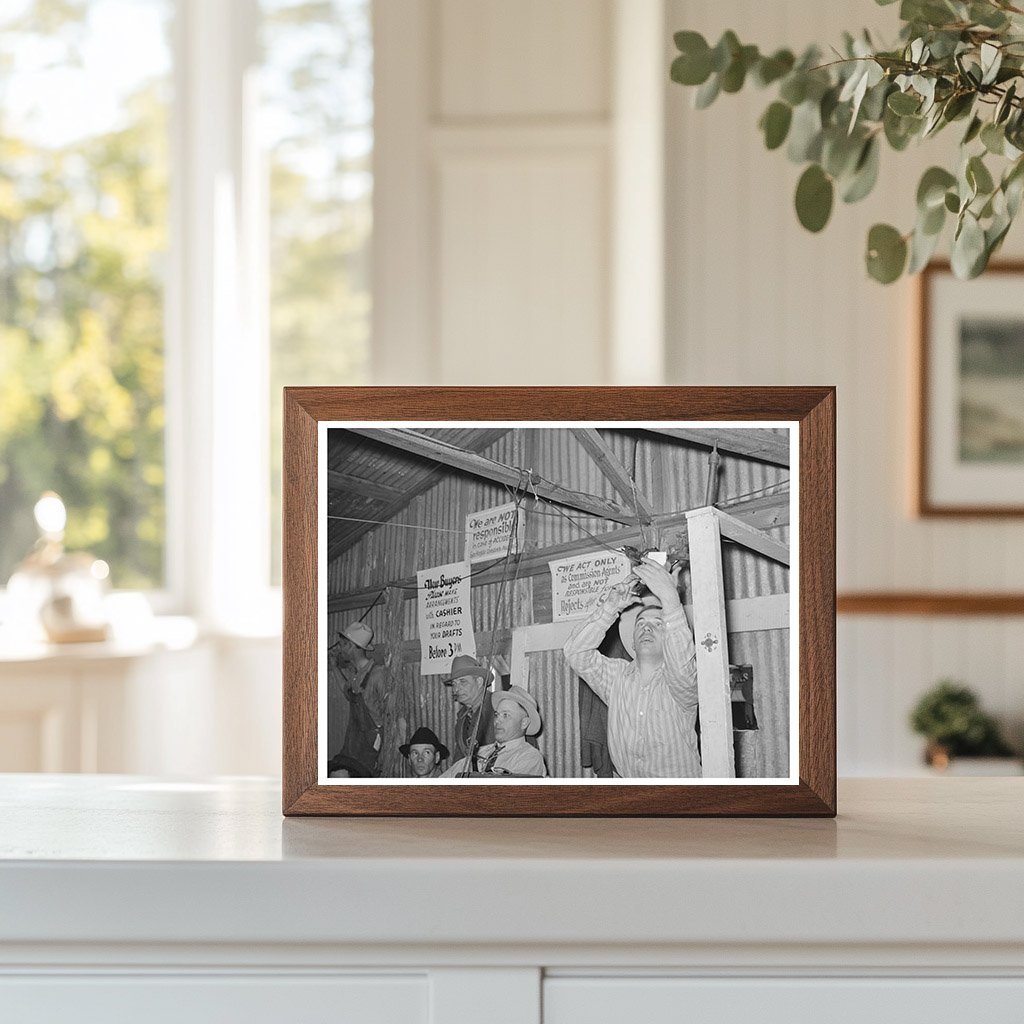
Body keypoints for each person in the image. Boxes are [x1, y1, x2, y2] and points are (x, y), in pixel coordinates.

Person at [563, 557, 700, 778]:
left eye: (658, 624)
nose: (647, 628)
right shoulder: (617, 677)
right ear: (633, 642)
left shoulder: (681, 681)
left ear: (670, 638)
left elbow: (682, 666)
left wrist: (671, 601)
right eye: (641, 623)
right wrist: (610, 608)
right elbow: (575, 653)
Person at [443, 687, 547, 777]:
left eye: (506, 715)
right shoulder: (481, 753)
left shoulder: (529, 757)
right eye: (497, 714)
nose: (497, 721)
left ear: (524, 723)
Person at [332, 620, 388, 775]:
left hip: (370, 750)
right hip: (352, 746)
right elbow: (347, 693)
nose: (340, 649)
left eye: (343, 644)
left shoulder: (378, 675)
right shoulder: (357, 676)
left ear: (351, 646)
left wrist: (385, 756)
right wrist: (334, 666)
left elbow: (393, 717)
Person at [443, 654, 497, 760]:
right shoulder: (462, 717)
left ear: (479, 682)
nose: (456, 689)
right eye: (454, 684)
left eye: (463, 682)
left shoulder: (497, 707)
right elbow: (460, 756)